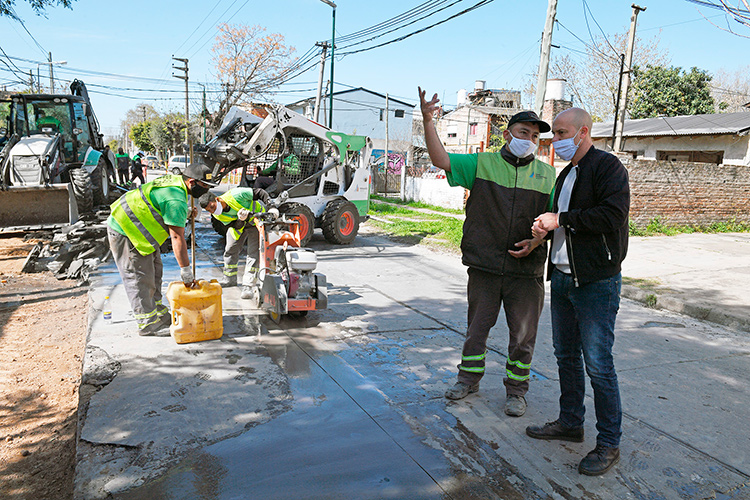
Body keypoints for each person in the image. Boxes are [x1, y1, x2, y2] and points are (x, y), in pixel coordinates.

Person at [418, 86, 556, 417]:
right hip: (485, 266)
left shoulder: (547, 174)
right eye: (524, 132)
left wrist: (536, 242)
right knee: (476, 331)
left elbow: (554, 222)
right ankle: (468, 380)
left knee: (523, 338)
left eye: (536, 136)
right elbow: (441, 159)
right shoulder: (483, 163)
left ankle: (516, 392)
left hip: (527, 272)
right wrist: (427, 120)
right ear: (507, 134)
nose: (530, 140)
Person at [525, 107, 630, 476]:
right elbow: (562, 223)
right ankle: (570, 422)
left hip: (596, 282)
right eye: (553, 132)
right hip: (565, 278)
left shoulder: (608, 167)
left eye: (561, 131)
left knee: (599, 365)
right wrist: (543, 232)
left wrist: (561, 220)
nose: (556, 139)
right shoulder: (566, 173)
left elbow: (611, 216)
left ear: (584, 132)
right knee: (565, 356)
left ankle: (608, 444)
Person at [106, 162, 217, 336]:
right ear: (191, 183)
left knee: (155, 271)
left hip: (141, 230)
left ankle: (157, 311)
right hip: (126, 229)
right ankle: (147, 322)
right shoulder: (176, 199)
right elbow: (177, 237)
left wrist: (185, 213)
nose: (206, 191)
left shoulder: (175, 184)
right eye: (204, 186)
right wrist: (186, 271)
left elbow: (159, 203)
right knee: (139, 277)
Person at [198, 187, 271, 299]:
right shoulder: (217, 214)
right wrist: (241, 220)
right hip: (239, 225)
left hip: (256, 221)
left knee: (253, 253)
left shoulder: (236, 194)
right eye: (208, 210)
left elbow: (260, 192)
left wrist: (272, 207)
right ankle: (229, 279)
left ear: (217, 199)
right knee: (230, 249)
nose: (212, 211)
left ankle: (248, 285)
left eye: (212, 207)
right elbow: (233, 226)